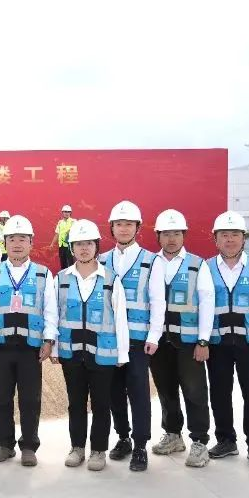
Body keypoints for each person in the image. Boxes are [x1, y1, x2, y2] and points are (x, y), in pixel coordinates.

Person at [0, 215, 57, 467]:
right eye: (12, 239)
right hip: (0, 346)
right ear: (4, 243)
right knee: (0, 397)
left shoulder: (43, 274)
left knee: (30, 399)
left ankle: (29, 446)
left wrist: (49, 340)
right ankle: (5, 445)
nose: (16, 244)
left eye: (22, 239)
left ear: (31, 243)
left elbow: (50, 309)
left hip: (30, 348)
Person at [54, 219, 129, 472]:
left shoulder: (110, 278)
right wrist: (55, 348)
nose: (84, 248)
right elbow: (54, 315)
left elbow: (120, 317)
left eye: (88, 243)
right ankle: (77, 448)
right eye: (78, 244)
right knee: (75, 403)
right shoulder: (61, 278)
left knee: (101, 403)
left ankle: (98, 450)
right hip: (71, 352)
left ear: (97, 246)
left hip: (103, 353)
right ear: (71, 248)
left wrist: (122, 353)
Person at [202, 210, 249, 468]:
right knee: (219, 393)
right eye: (224, 235)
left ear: (244, 238)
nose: (229, 239)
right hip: (218, 343)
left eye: (235, 234)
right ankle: (226, 440)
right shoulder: (206, 268)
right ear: (215, 239)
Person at [100, 200, 166, 472]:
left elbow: (158, 301)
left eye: (129, 224)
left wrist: (154, 335)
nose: (124, 228)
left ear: (138, 228)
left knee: (138, 392)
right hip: (110, 339)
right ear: (112, 228)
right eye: (119, 224)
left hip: (139, 339)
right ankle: (123, 437)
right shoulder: (101, 260)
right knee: (114, 391)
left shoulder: (152, 261)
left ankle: (140, 445)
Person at [147, 210, 214, 468]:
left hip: (188, 341)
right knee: (165, 390)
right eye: (166, 234)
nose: (171, 239)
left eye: (176, 233)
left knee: (195, 391)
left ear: (184, 235)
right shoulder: (151, 263)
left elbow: (207, 302)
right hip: (160, 340)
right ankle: (173, 434)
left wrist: (203, 340)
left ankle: (199, 441)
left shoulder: (197, 264)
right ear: (158, 236)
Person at [49, 205, 76, 270]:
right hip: (61, 246)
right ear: (62, 212)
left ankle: (71, 276)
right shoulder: (60, 222)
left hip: (69, 246)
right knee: (63, 263)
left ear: (70, 213)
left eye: (68, 212)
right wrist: (52, 244)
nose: (67, 213)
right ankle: (63, 276)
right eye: (65, 211)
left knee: (70, 263)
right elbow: (57, 234)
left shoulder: (74, 221)